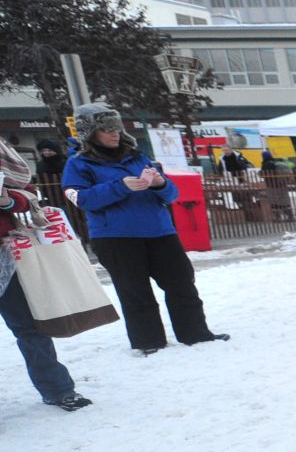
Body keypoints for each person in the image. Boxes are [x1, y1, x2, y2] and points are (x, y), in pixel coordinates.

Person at [61, 104, 227, 355]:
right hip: (116, 238)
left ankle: (195, 334)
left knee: (182, 283)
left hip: (160, 232)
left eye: (116, 127)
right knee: (135, 291)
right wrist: (121, 186)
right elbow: (81, 199)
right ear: (90, 133)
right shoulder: (78, 164)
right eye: (106, 128)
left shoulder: (138, 157)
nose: (114, 133)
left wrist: (160, 184)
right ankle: (149, 342)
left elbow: (171, 194)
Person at [0, 139, 88, 410]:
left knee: (28, 326)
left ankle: (57, 389)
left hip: (4, 256)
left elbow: (29, 195)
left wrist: (6, 200)